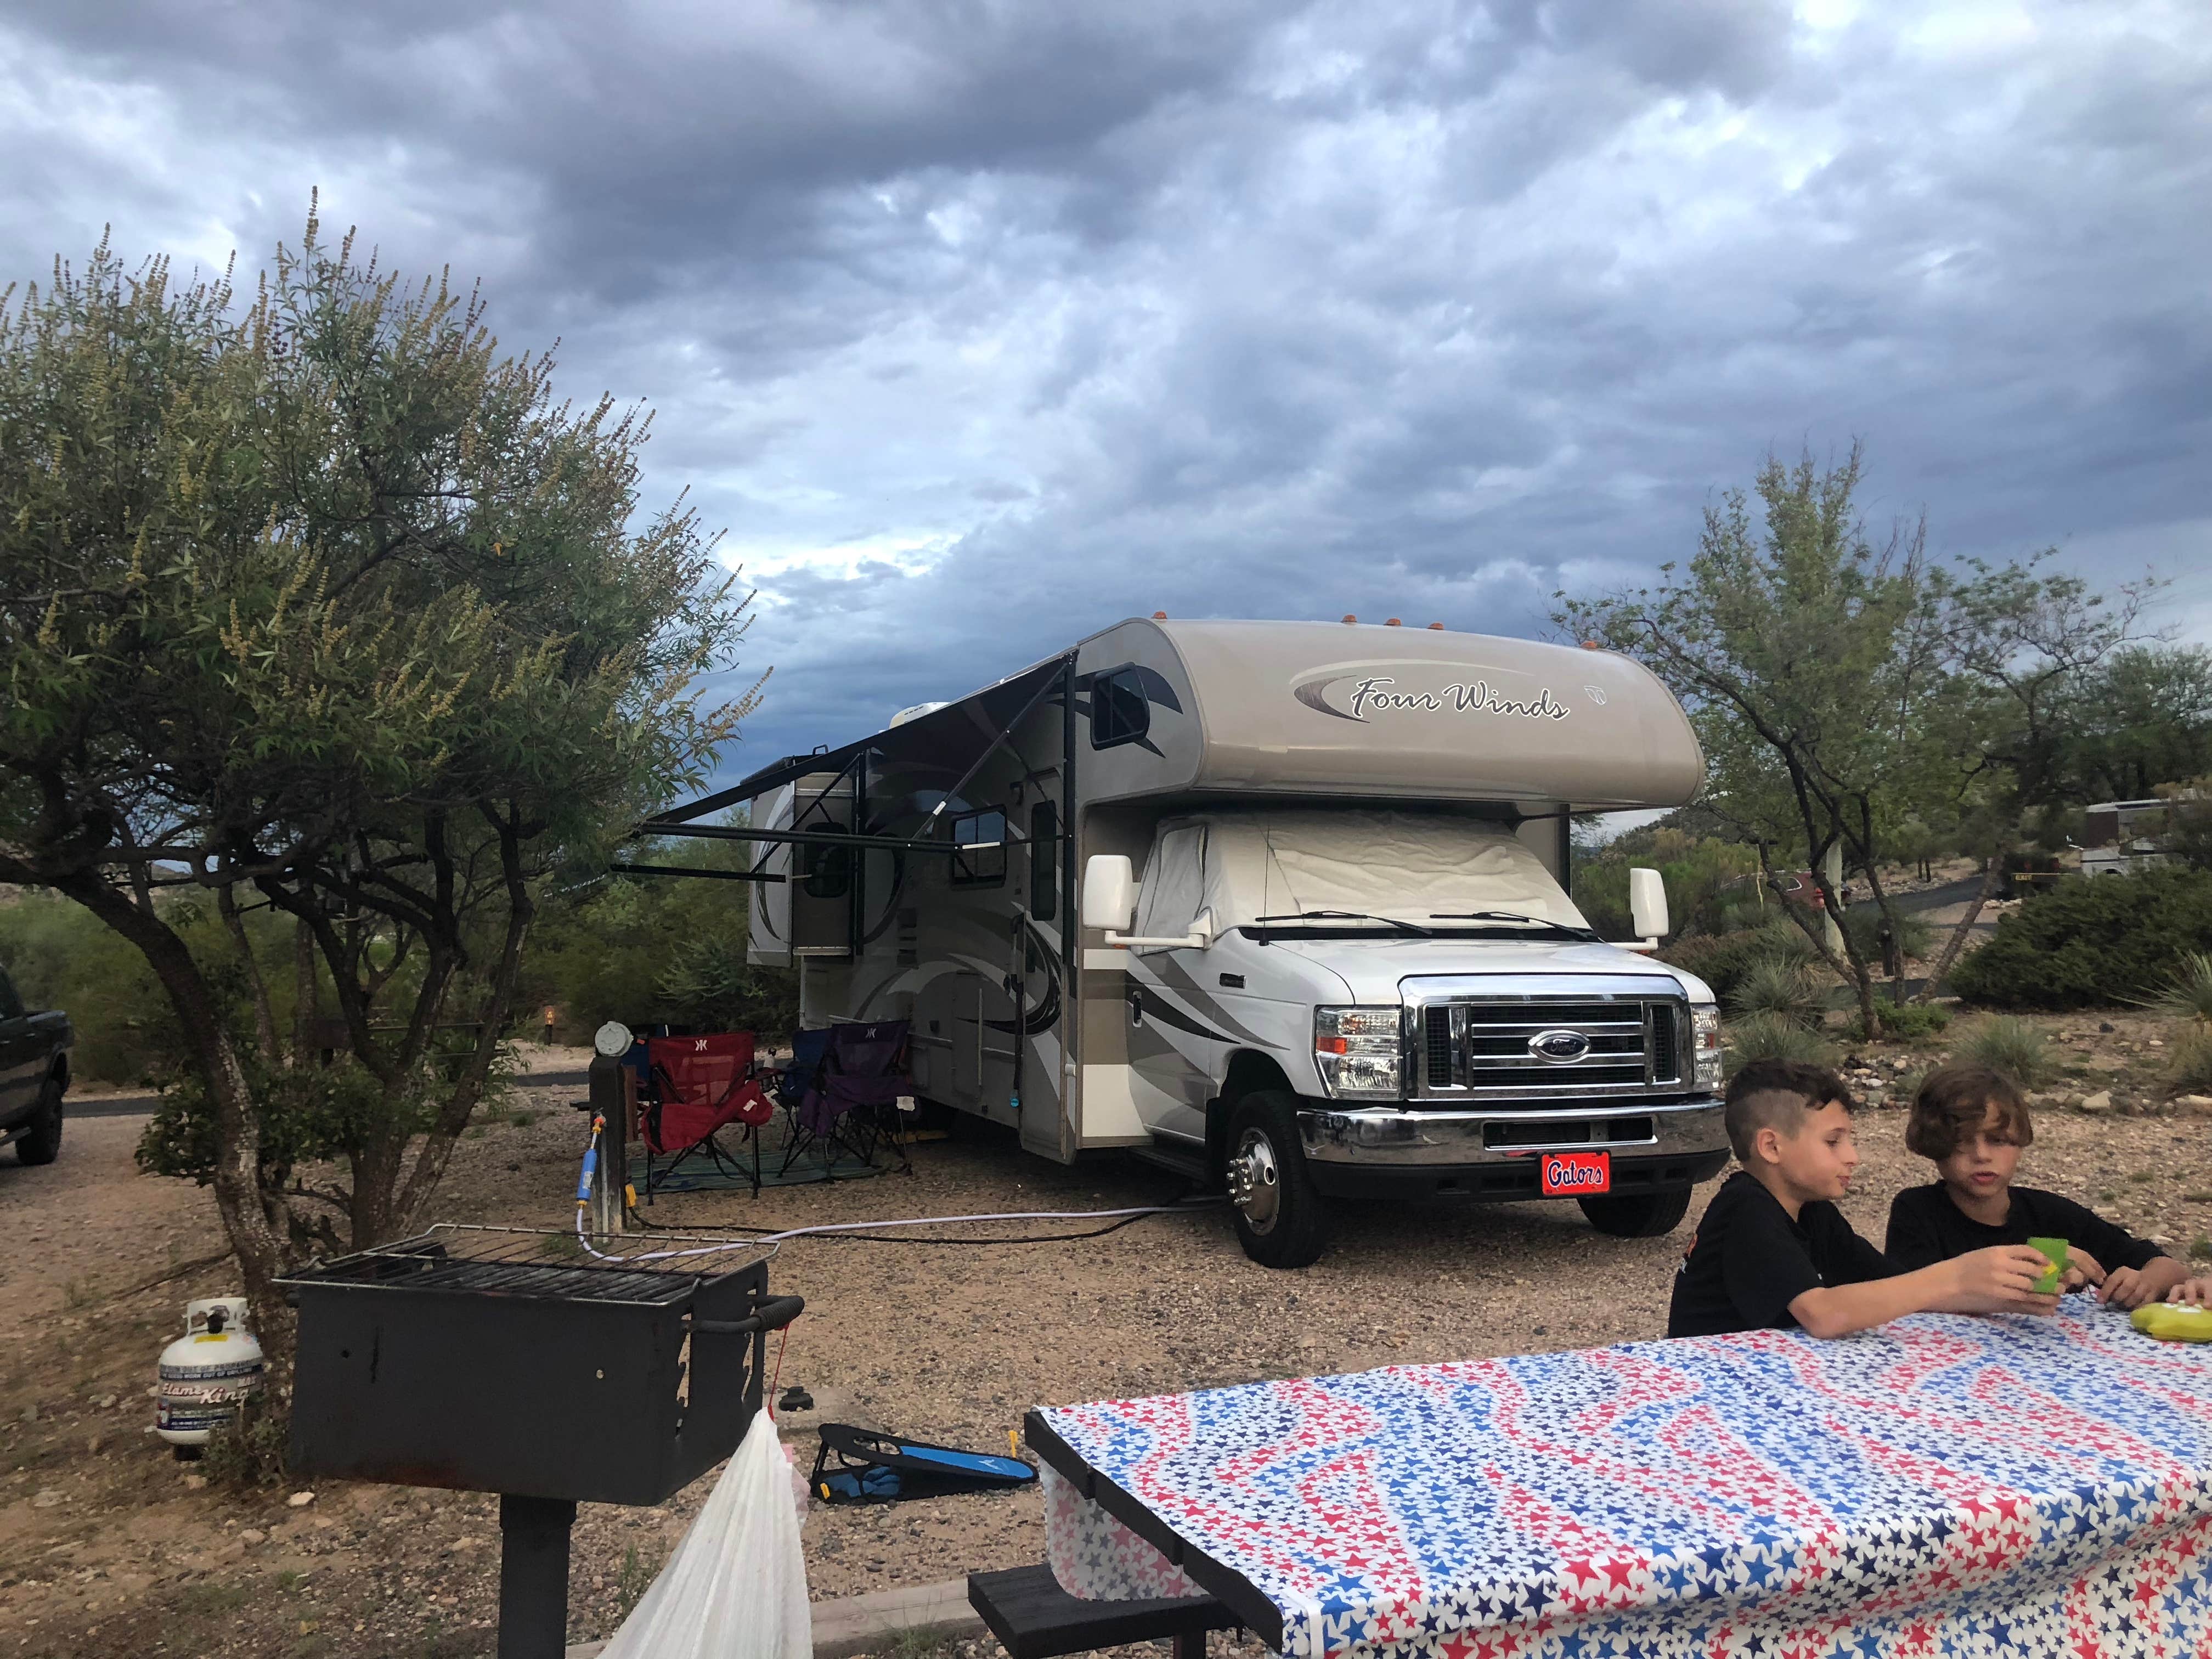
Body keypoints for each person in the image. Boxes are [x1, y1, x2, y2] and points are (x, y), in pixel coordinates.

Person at [1668, 1058, 2060, 1340]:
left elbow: (1891, 1286)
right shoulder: (1747, 1210)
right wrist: (1955, 1275)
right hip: (1709, 1387)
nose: (1853, 1156)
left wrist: (2014, 1288)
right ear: (1772, 1146)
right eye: (1834, 1141)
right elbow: (1823, 1315)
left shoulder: (1810, 1210)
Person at [1886, 1065, 2189, 1309]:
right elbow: (1906, 1293)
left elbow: (2168, 1266)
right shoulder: (1917, 1210)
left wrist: (2146, 1282)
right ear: (1933, 1145)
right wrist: (2039, 1269)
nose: (1981, 1155)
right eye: (1961, 1142)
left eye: (1998, 1140)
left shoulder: (2051, 1215)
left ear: (2020, 1142)